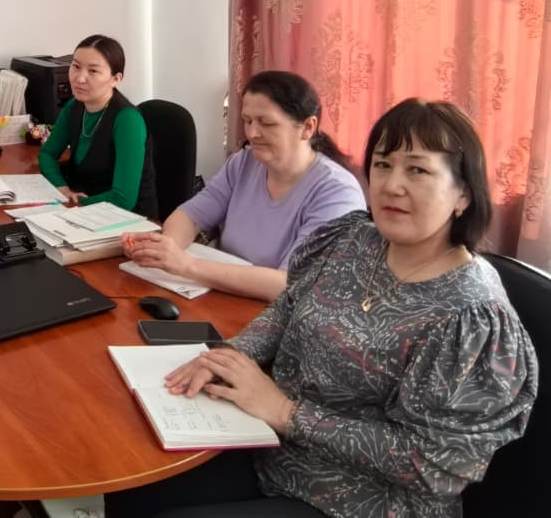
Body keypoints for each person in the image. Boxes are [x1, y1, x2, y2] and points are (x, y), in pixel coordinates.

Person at [105, 98, 538, 518]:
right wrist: (230, 356)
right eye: (382, 164)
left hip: (363, 501)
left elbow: (433, 464)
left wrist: (286, 412)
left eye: (418, 169)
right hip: (273, 448)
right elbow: (288, 307)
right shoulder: (353, 240)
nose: (392, 184)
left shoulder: (471, 315)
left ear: (463, 193)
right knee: (126, 488)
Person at [125, 70, 364, 301]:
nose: (252, 133)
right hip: (224, 297)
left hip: (279, 315)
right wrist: (165, 249)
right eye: (247, 121)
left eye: (266, 123)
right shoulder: (243, 163)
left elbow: (289, 285)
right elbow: (190, 216)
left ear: (308, 127)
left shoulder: (337, 193)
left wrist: (186, 265)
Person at [38, 34, 156, 216]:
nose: (80, 78)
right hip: (81, 210)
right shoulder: (74, 106)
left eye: (93, 71)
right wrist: (62, 189)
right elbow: (47, 154)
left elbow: (123, 199)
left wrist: (75, 205)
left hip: (126, 219)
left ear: (115, 79)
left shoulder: (127, 119)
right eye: (76, 66)